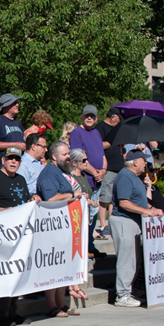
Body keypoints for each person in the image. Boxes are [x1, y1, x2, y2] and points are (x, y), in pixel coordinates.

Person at [0, 146, 38, 326]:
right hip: (2, 235)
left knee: (17, 274)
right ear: (3, 160)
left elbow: (23, 200)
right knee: (5, 275)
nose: (13, 162)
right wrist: (1, 210)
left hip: (20, 234)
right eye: (10, 158)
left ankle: (12, 312)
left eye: (17, 159)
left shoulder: (20, 179)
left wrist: (33, 199)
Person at [110, 149, 163, 307]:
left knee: (135, 260)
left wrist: (152, 209)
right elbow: (124, 202)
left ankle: (127, 292)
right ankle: (122, 295)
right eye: (143, 160)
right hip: (124, 222)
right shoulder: (125, 176)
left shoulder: (135, 177)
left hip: (134, 222)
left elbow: (138, 201)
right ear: (134, 162)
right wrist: (146, 211)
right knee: (127, 260)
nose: (145, 163)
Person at [36, 141, 82, 318]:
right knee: (53, 268)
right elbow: (51, 198)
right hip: (52, 229)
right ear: (54, 157)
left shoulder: (61, 173)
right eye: (65, 155)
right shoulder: (49, 174)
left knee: (64, 267)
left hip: (65, 227)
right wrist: (72, 195)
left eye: (69, 153)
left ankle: (62, 304)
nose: (68, 157)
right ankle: (51, 306)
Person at [69, 105, 107, 254]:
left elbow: (103, 156)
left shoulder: (97, 133)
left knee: (93, 214)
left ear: (97, 118)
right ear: (82, 117)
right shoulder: (76, 133)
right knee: (85, 217)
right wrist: (94, 172)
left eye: (92, 116)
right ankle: (83, 248)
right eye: (87, 116)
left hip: (97, 181)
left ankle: (90, 245)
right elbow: (78, 157)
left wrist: (103, 171)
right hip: (85, 181)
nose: (89, 118)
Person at [68, 148, 100, 298]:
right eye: (84, 161)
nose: (87, 163)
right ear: (75, 163)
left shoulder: (84, 177)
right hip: (74, 219)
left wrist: (90, 201)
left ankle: (77, 284)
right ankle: (71, 286)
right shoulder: (69, 178)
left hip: (85, 218)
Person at [94, 107, 123, 238]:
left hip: (118, 167)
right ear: (113, 117)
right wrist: (112, 142)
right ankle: (103, 225)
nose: (119, 121)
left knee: (113, 198)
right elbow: (98, 145)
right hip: (108, 167)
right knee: (104, 198)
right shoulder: (101, 127)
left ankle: (112, 224)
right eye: (119, 119)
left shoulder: (116, 129)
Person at [0, 93, 26, 173]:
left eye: (17, 102)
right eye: (14, 103)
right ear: (5, 106)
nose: (17, 105)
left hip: (16, 168)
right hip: (1, 169)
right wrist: (16, 145)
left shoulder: (17, 122)